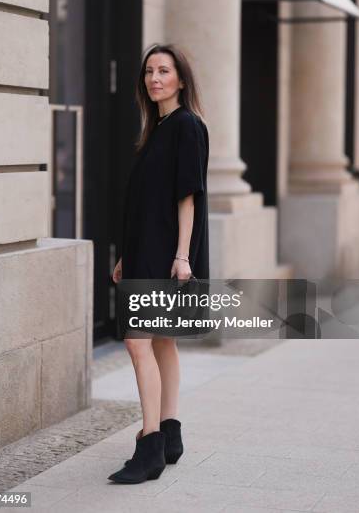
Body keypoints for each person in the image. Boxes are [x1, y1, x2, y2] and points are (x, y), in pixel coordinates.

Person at [108, 43, 210, 484]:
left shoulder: (186, 125)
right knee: (162, 341)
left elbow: (188, 194)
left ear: (181, 80)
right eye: (149, 71)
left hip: (167, 252)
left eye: (164, 71)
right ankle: (169, 434)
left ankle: (149, 444)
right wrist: (128, 254)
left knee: (137, 341)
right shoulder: (159, 127)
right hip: (147, 248)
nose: (155, 79)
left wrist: (182, 255)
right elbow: (149, 202)